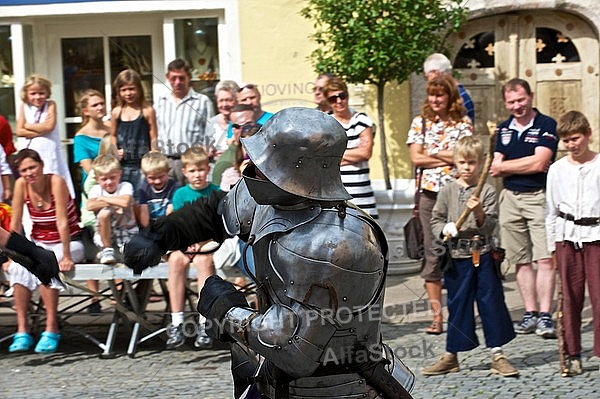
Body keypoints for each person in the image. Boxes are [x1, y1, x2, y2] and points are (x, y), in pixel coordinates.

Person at [123, 107, 416, 399]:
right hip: (276, 377)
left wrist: (225, 311)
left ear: (296, 170)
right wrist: (161, 235)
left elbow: (295, 350)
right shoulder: (269, 197)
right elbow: (216, 211)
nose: (254, 168)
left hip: (337, 388)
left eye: (267, 162)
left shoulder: (335, 243)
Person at [422, 136, 518, 377]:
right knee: (458, 303)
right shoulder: (446, 191)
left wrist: (479, 212)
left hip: (483, 254)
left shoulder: (486, 191)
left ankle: (498, 353)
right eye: (463, 162)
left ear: (481, 163)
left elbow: (491, 226)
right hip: (457, 256)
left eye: (472, 162)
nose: (467, 167)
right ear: (455, 162)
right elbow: (436, 219)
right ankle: (452, 355)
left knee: (491, 302)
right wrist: (444, 229)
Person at [490, 78, 558, 338]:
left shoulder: (546, 124)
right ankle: (530, 313)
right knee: (520, 260)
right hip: (510, 198)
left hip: (538, 196)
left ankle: (545, 315)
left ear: (531, 96)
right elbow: (495, 167)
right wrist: (519, 164)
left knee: (543, 258)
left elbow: (540, 163)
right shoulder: (503, 128)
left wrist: (508, 165)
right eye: (511, 102)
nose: (517, 106)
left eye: (521, 100)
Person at [406, 74, 473, 334]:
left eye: (440, 94)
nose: (435, 99)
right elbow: (415, 158)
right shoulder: (420, 123)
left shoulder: (462, 124)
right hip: (429, 196)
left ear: (449, 97)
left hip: (456, 196)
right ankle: (437, 317)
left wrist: (430, 153)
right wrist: (447, 157)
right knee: (432, 254)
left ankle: (460, 313)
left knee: (458, 253)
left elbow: (465, 157)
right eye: (432, 94)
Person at [7, 149, 84, 353]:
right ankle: (23, 329)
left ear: (41, 165)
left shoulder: (55, 182)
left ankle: (51, 327)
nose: (29, 173)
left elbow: (62, 221)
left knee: (47, 263)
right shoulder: (21, 185)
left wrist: (67, 255)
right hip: (40, 241)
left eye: (32, 167)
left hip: (69, 241)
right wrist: (10, 256)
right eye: (23, 170)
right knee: (17, 269)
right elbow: (15, 223)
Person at [546, 110, 600, 376]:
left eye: (576, 138)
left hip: (596, 237)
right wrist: (552, 246)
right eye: (566, 140)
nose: (571, 145)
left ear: (588, 135)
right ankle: (573, 352)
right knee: (570, 298)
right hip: (567, 238)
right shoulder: (557, 170)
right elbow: (551, 210)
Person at [165, 147, 221, 350]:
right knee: (175, 261)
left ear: (207, 169)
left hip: (209, 241)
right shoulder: (181, 194)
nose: (197, 175)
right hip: (186, 241)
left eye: (201, 170)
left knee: (203, 261)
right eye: (192, 171)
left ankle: (204, 321)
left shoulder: (215, 192)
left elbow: (219, 224)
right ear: (185, 172)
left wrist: (202, 242)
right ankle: (177, 321)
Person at [73, 90, 112, 313]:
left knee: (113, 242)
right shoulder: (80, 137)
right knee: (92, 246)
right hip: (94, 194)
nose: (100, 107)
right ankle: (94, 297)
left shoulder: (110, 132)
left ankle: (118, 294)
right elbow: (90, 169)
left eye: (102, 103)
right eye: (95, 104)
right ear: (86, 110)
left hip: (113, 188)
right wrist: (110, 163)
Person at [324, 77, 379, 219]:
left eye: (342, 96)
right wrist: (353, 155)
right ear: (328, 101)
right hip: (334, 197)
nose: (339, 101)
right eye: (333, 98)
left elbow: (365, 153)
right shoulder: (325, 123)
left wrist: (335, 156)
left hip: (362, 196)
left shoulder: (361, 120)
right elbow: (321, 158)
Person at [154, 58, 214, 186]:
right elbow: (154, 130)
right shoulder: (160, 101)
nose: (177, 82)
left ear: (189, 77)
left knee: (192, 202)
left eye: (181, 78)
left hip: (192, 164)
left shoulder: (202, 101)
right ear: (167, 77)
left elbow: (210, 131)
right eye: (173, 78)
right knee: (171, 203)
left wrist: (205, 152)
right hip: (166, 162)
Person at [16, 74, 75, 198]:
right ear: (26, 94)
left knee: (53, 180)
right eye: (33, 93)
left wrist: (28, 125)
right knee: (34, 180)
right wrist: (41, 130)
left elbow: (49, 127)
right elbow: (19, 131)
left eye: (41, 93)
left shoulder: (50, 105)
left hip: (49, 152)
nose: (37, 97)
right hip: (32, 152)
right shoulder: (24, 107)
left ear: (47, 93)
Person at [110, 68, 158, 198]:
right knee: (125, 199)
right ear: (118, 92)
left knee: (141, 199)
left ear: (139, 89)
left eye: (131, 89)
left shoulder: (147, 110)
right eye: (124, 90)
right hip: (123, 165)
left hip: (142, 164)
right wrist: (115, 151)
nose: (128, 93)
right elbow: (113, 135)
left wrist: (153, 157)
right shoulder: (117, 112)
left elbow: (153, 137)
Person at [86, 154, 139, 264]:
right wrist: (114, 202)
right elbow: (90, 206)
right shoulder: (95, 189)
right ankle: (107, 249)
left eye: (112, 177)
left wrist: (102, 199)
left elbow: (125, 202)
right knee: (104, 213)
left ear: (120, 174)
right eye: (104, 179)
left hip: (127, 231)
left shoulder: (125, 186)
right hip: (105, 234)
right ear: (97, 179)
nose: (109, 182)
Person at [211, 104, 260, 187]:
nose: (243, 129)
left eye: (248, 125)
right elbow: (222, 198)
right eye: (237, 126)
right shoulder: (225, 164)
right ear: (232, 129)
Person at [423, 53, 475, 123]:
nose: (428, 81)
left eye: (427, 76)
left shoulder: (458, 96)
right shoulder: (461, 93)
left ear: (436, 73)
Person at [138, 152, 180, 227]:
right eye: (152, 178)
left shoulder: (174, 187)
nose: (157, 181)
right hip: (151, 225)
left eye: (161, 176)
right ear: (145, 176)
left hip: (168, 224)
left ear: (168, 172)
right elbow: (144, 213)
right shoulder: (144, 188)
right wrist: (146, 230)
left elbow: (170, 212)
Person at [205, 80, 240, 159]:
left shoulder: (242, 122)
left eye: (228, 100)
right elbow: (206, 149)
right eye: (221, 100)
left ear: (237, 100)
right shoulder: (211, 122)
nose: (224, 104)